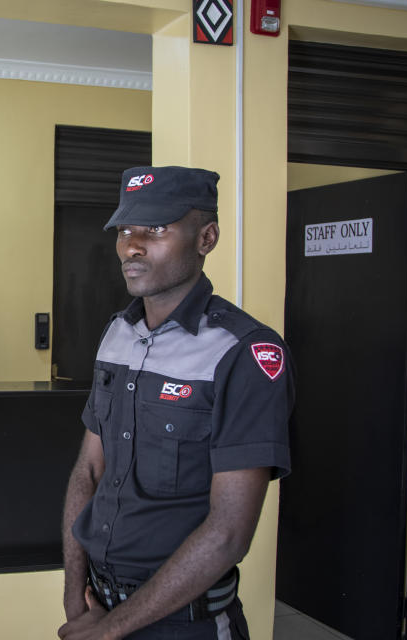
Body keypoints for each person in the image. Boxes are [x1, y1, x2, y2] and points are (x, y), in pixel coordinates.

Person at [58, 166, 294, 640]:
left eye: (157, 229)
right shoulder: (117, 334)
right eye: (125, 230)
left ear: (207, 237)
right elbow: (88, 470)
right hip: (97, 606)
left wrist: (110, 631)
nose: (133, 245)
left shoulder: (243, 352)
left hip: (186, 625)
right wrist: (73, 592)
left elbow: (228, 532)